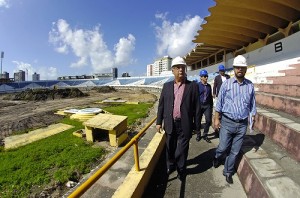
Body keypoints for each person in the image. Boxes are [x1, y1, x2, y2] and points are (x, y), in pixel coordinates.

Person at [212, 55, 256, 184]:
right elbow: (219, 103)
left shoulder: (250, 85)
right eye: (237, 67)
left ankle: (228, 172)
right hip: (227, 122)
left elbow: (253, 104)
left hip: (242, 124)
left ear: (245, 69)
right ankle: (216, 156)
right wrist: (216, 119)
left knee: (235, 151)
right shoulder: (227, 84)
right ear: (234, 69)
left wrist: (252, 118)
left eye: (242, 67)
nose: (240, 70)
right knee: (223, 147)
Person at [156, 56, 201, 181]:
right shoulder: (167, 86)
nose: (180, 70)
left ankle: (181, 170)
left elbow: (197, 109)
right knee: (169, 148)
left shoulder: (193, 86)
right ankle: (170, 165)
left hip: (185, 124)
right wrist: (159, 122)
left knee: (182, 150)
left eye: (182, 67)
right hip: (170, 123)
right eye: (177, 67)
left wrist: (197, 127)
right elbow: (161, 105)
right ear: (173, 70)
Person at [212, 65, 230, 138]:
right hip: (219, 96)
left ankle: (225, 128)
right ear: (219, 71)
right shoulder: (217, 77)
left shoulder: (228, 77)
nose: (222, 72)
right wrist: (214, 93)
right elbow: (215, 86)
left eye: (223, 71)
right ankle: (217, 130)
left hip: (227, 96)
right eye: (221, 71)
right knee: (218, 111)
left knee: (225, 112)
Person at [196, 69, 213, 143]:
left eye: (207, 76)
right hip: (199, 105)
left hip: (207, 106)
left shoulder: (209, 86)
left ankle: (205, 134)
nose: (206, 77)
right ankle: (198, 134)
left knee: (208, 120)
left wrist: (211, 106)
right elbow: (195, 97)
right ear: (201, 77)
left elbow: (210, 97)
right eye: (204, 76)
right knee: (198, 121)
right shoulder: (197, 86)